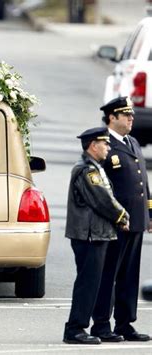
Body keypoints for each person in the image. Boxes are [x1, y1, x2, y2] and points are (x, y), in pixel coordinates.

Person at [91, 96, 152, 342]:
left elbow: (143, 183)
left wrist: (149, 213)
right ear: (112, 118)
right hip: (115, 222)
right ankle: (102, 325)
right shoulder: (104, 146)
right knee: (109, 275)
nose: (131, 118)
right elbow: (101, 189)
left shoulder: (133, 142)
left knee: (129, 276)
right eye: (125, 115)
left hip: (136, 220)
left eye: (131, 115)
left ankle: (125, 323)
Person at [63, 127, 130, 345]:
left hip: (99, 234)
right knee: (88, 283)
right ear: (93, 145)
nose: (108, 148)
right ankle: (75, 329)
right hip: (89, 235)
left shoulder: (94, 168)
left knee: (101, 283)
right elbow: (102, 199)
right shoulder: (86, 171)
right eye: (105, 144)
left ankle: (100, 327)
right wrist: (121, 216)